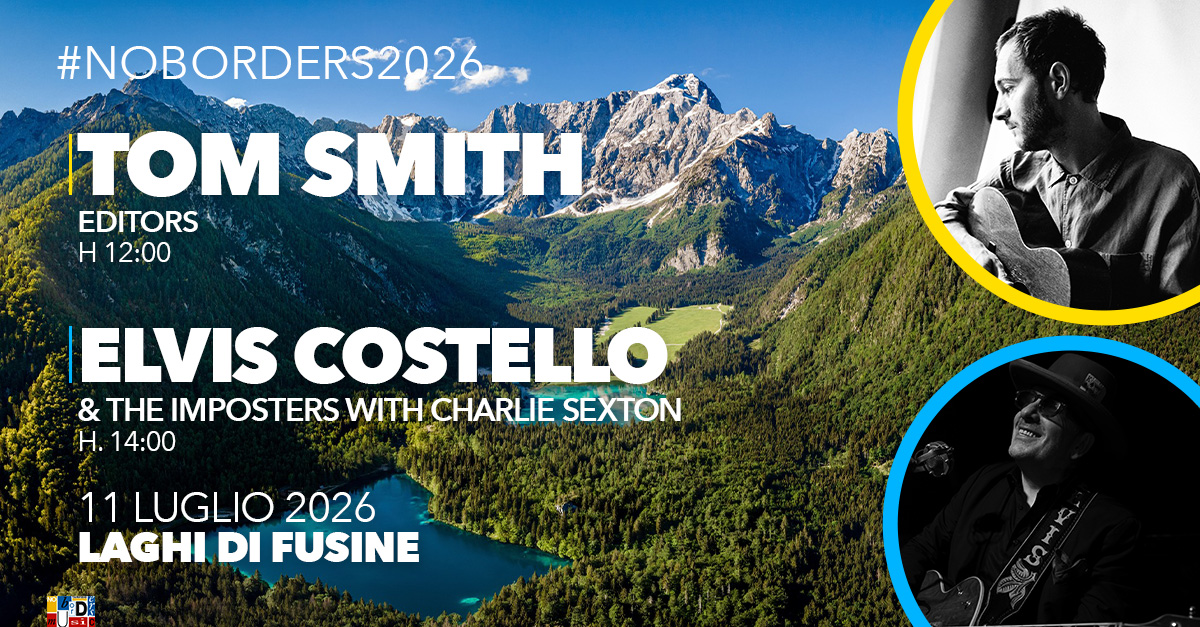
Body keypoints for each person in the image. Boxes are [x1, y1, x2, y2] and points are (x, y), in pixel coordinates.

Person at [936, 8, 1200, 309]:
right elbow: (946, 210)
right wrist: (979, 257)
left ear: (1059, 81)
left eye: (1008, 89)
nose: (999, 111)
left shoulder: (1176, 185)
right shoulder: (1017, 169)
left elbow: (1179, 320)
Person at [901, 353, 1139, 624]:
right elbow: (922, 548)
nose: (1026, 413)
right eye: (1029, 399)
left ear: (1079, 445)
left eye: (1051, 406)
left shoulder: (1112, 527)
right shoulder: (984, 480)